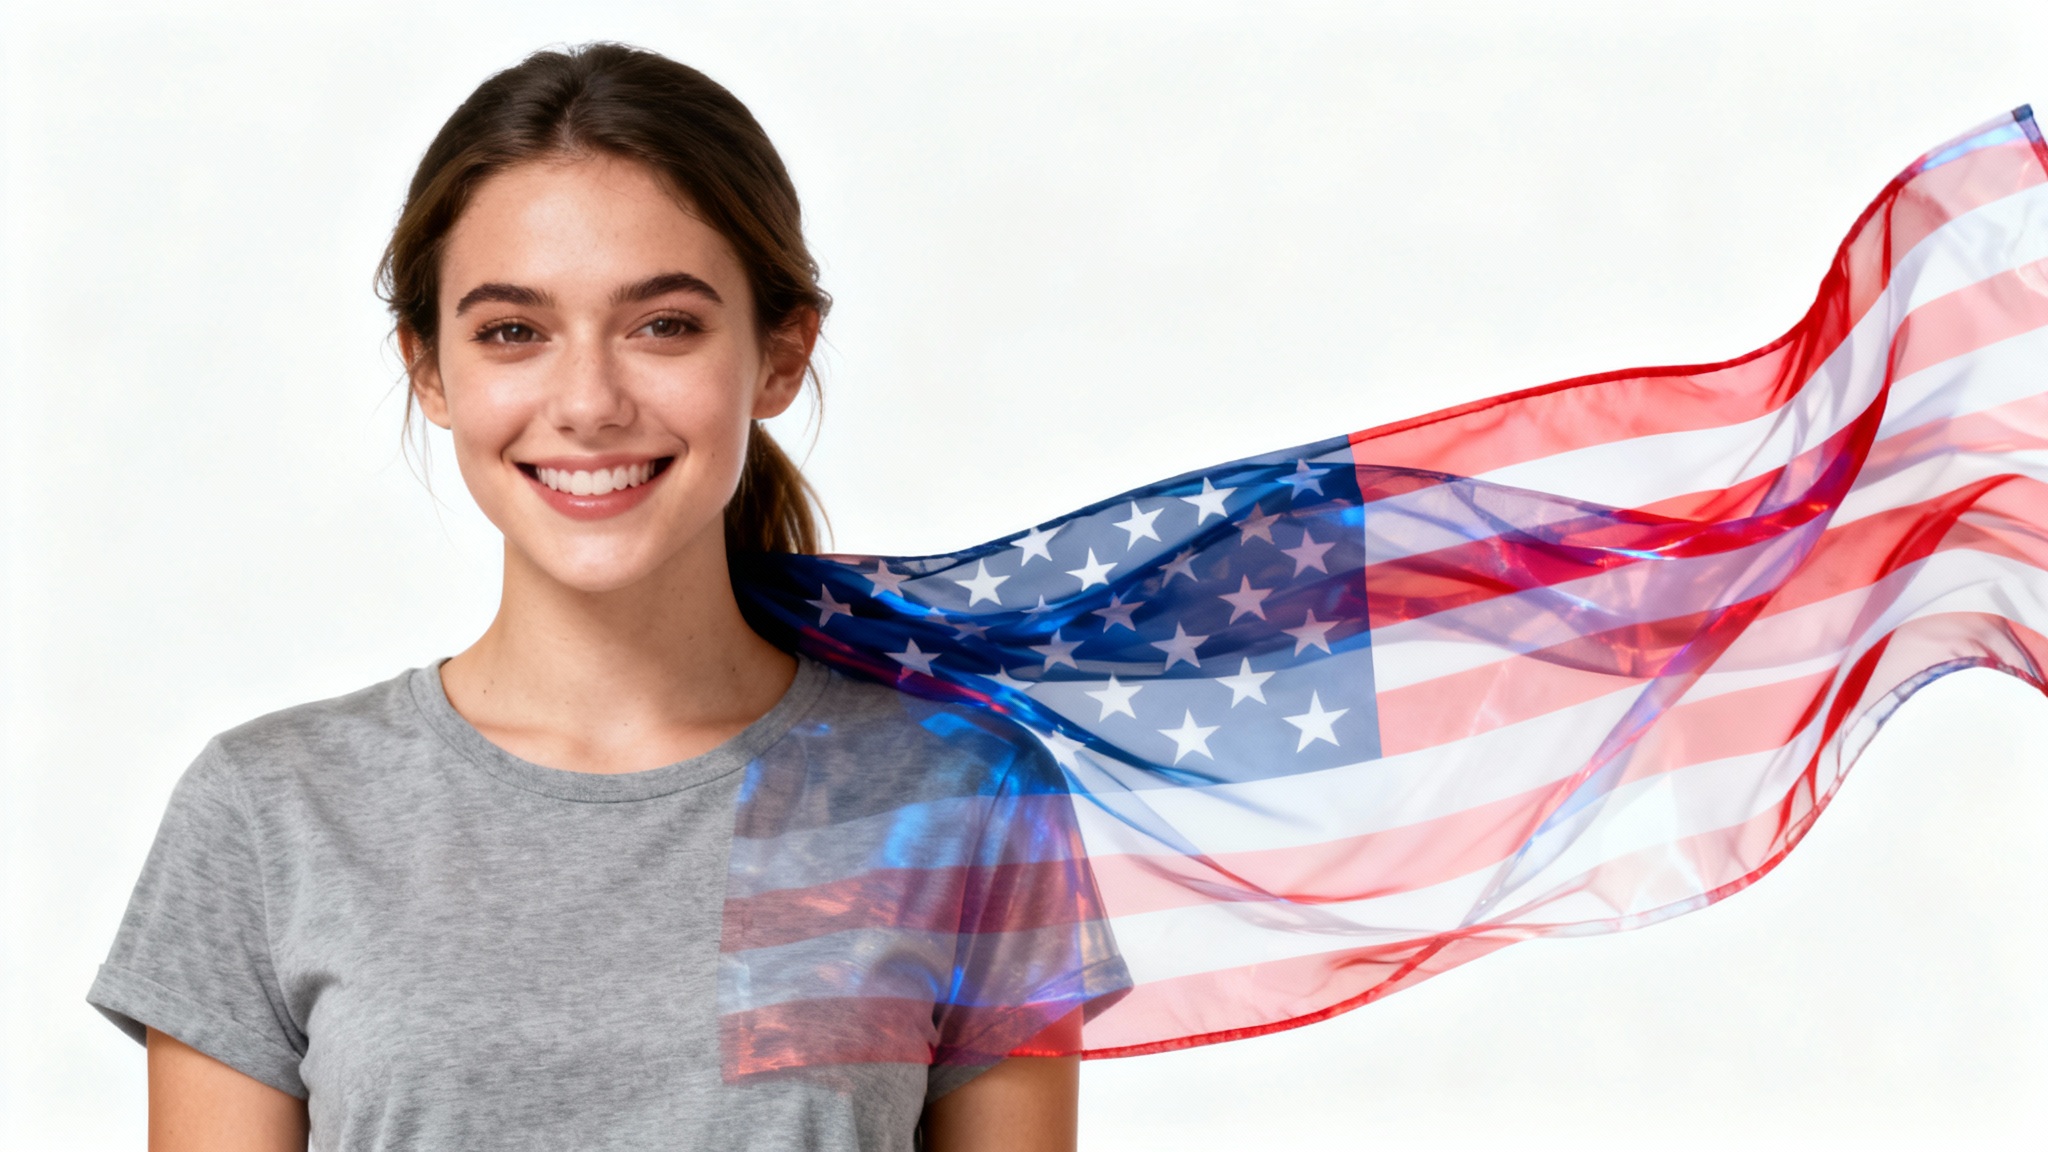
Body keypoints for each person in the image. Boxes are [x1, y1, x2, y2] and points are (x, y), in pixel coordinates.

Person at [88, 43, 1121, 1152]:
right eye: (511, 332)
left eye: (663, 324)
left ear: (779, 353)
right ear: (429, 369)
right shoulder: (268, 812)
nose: (586, 402)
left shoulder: (958, 796)